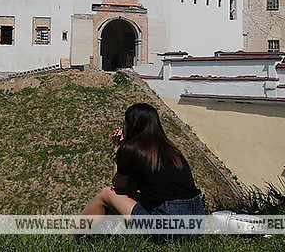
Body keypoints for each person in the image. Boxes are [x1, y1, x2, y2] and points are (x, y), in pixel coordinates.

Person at [78, 102, 204, 237]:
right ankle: (100, 235)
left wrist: (118, 150)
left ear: (131, 125)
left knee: (106, 194)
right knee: (129, 194)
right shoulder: (172, 150)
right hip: (196, 223)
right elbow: (132, 187)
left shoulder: (132, 149)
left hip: (170, 229)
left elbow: (118, 186)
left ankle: (69, 237)